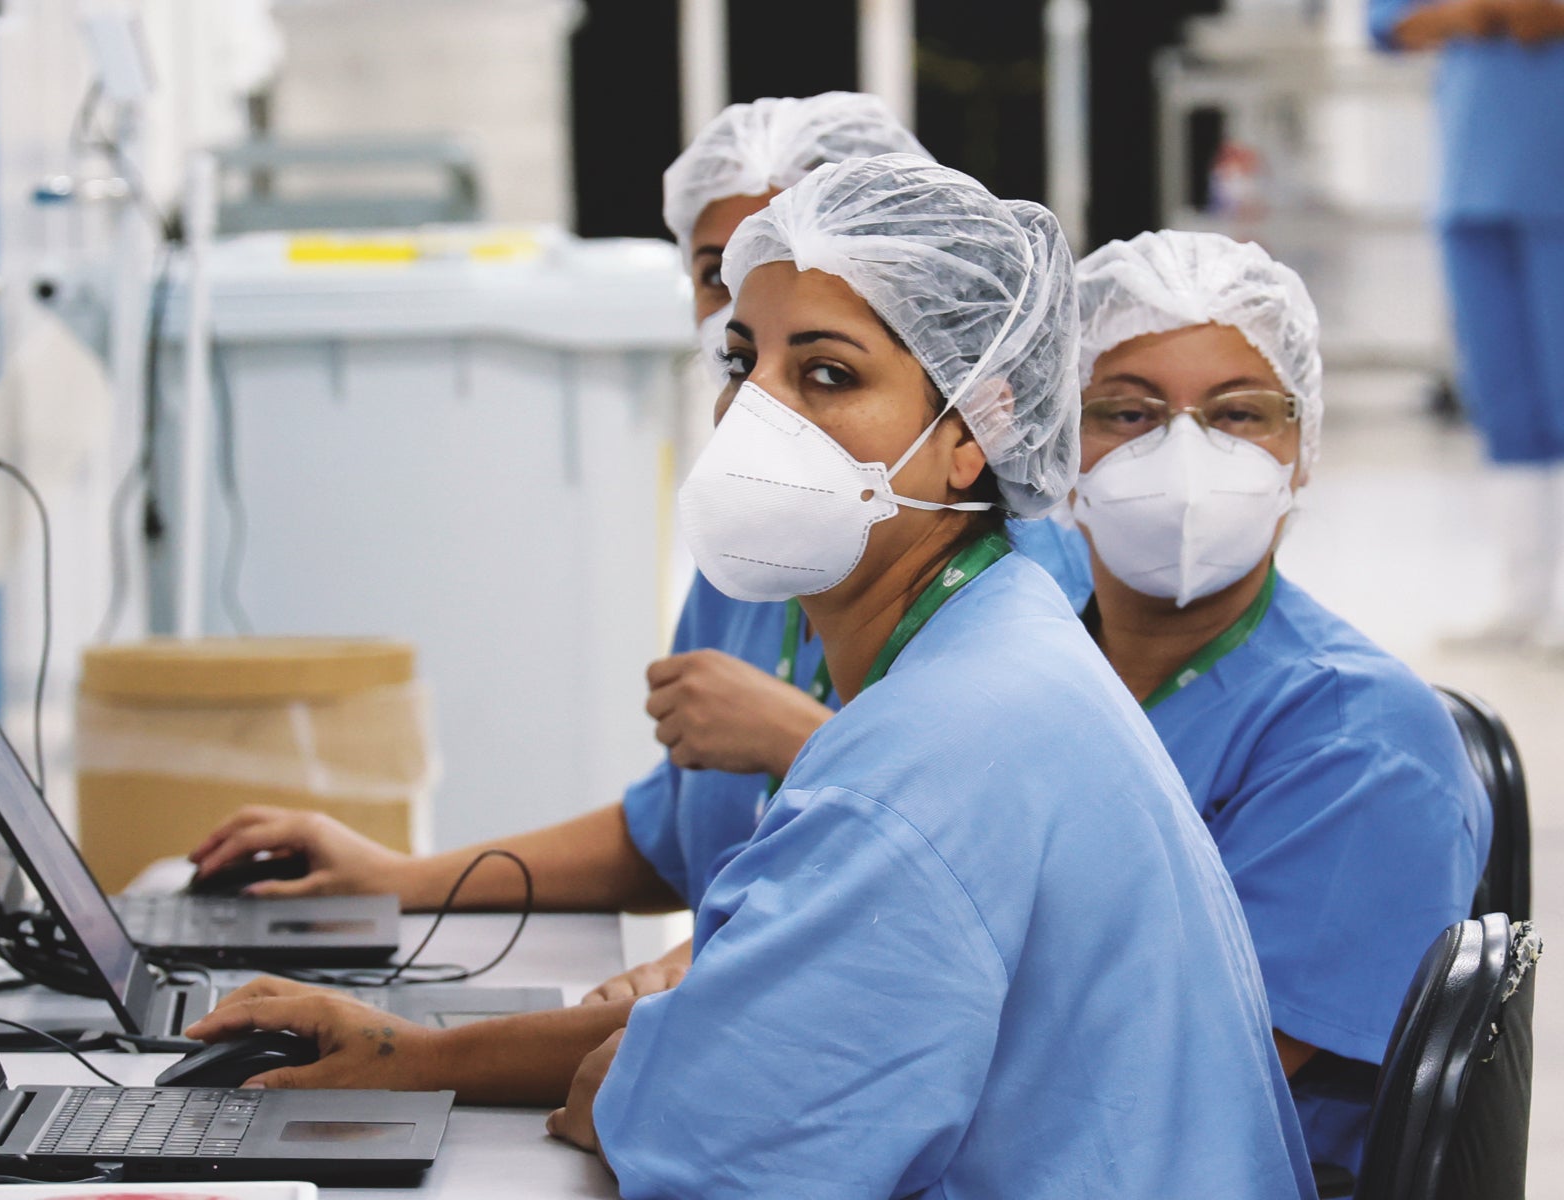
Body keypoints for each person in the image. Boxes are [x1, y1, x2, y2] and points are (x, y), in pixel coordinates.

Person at [191, 155, 1317, 1198]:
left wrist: (634, 1082)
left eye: (825, 373)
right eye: (741, 362)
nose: (754, 413)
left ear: (972, 432)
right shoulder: (989, 635)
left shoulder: (938, 748)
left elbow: (716, 1140)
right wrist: (410, 1055)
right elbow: (722, 1029)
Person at [187, 93, 928, 1001]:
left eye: (794, 277)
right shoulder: (748, 552)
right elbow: (670, 835)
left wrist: (788, 741)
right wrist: (404, 881)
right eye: (718, 278)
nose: (748, 324)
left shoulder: (993, 591)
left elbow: (967, 858)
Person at [1025, 229, 1491, 1173]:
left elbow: (1177, 1077)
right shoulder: (1026, 675)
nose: (1184, 458)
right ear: (1058, 450)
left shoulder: (1364, 745)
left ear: (1302, 448)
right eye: (1127, 412)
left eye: (1238, 415)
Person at [1373, 0, 1564, 646]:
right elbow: (1391, 22)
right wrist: (1478, 11)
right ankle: (1524, 596)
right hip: (1473, 178)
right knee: (1503, 395)